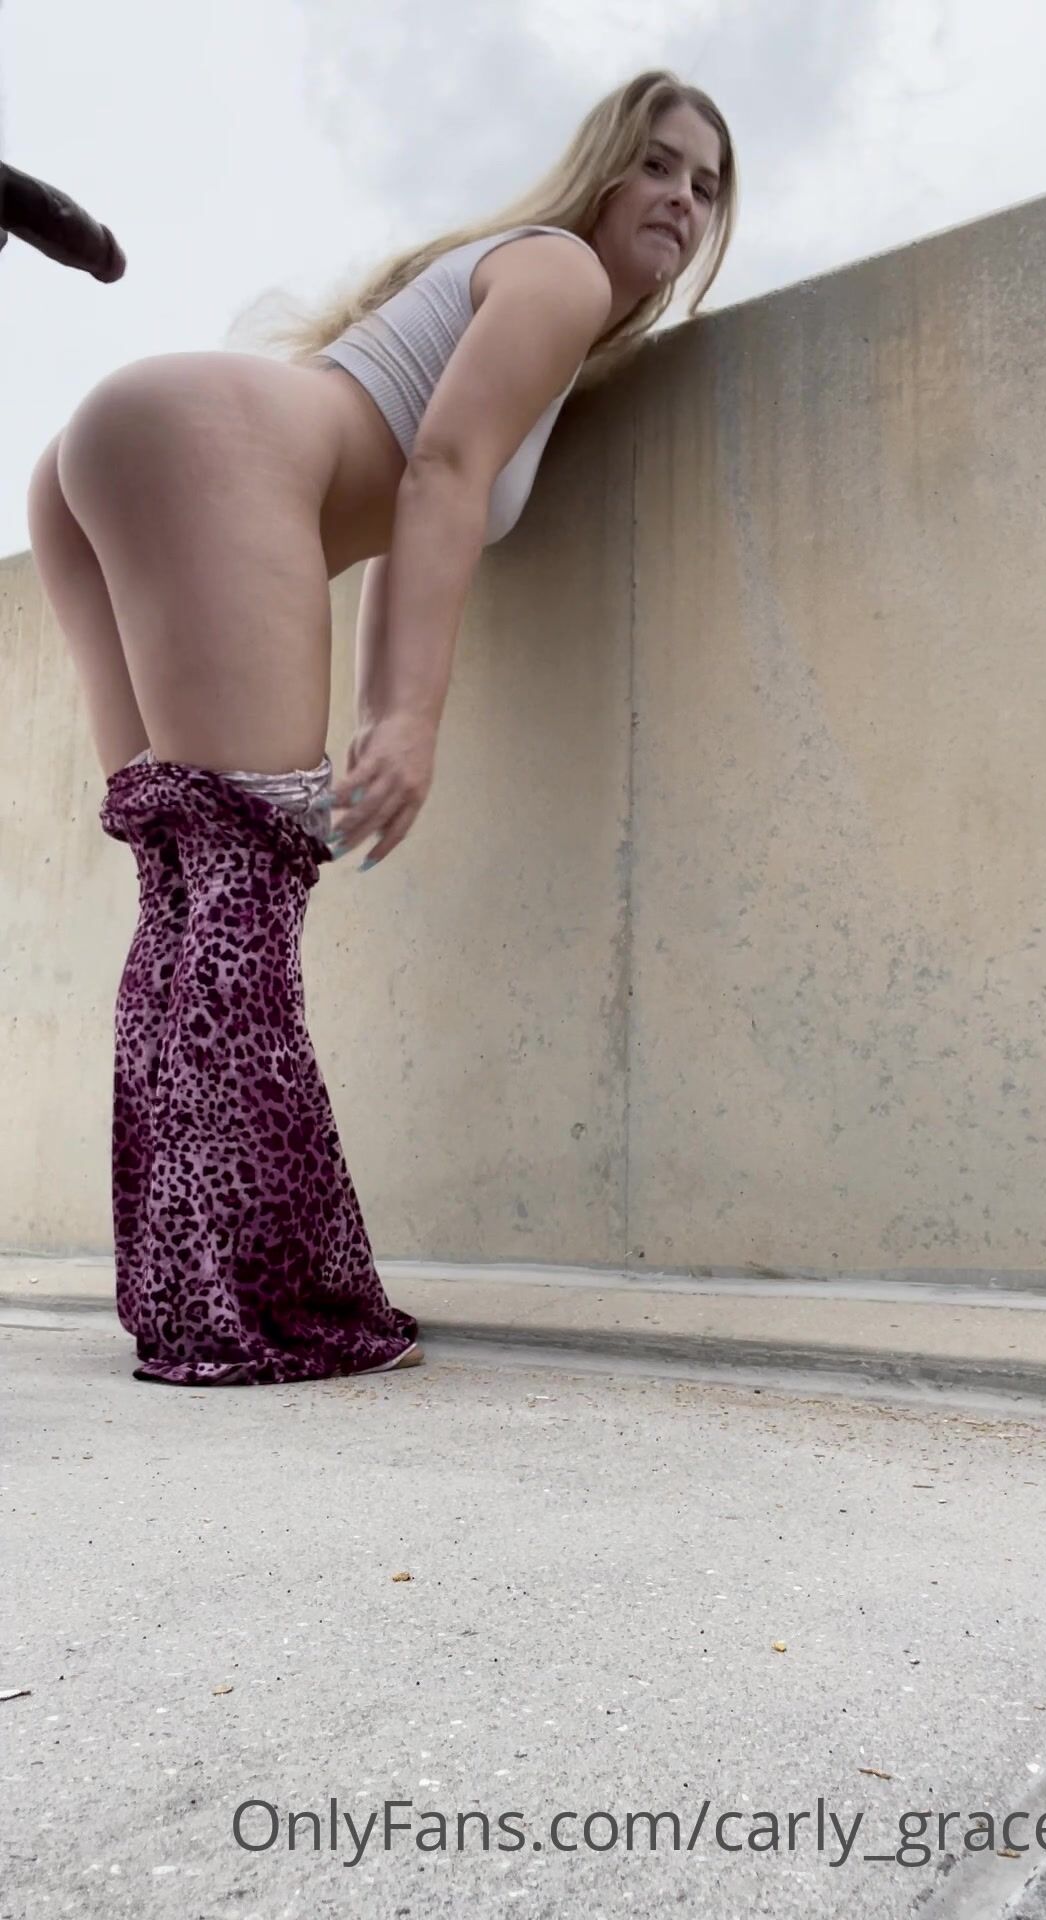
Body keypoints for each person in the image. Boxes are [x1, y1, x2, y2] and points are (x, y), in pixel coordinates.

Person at [25, 68, 737, 1389]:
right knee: (240, 899)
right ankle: (257, 1310)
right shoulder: (560, 273)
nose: (681, 201)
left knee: (188, 900)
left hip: (102, 459)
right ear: (599, 172)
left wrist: (378, 706)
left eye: (706, 186)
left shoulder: (519, 291)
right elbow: (442, 472)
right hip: (203, 446)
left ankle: (185, 1296)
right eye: (655, 165)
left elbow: (413, 488)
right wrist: (407, 717)